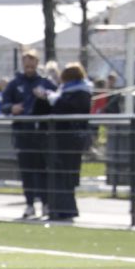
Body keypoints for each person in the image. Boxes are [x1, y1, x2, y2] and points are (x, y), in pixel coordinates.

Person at [0, 52, 54, 219]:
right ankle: (30, 204)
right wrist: (11, 108)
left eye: (32, 64)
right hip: (22, 132)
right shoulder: (15, 84)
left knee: (43, 168)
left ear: (37, 63)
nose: (29, 67)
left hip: (42, 133)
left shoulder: (45, 82)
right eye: (26, 64)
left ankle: (46, 203)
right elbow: (3, 105)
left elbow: (56, 101)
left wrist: (45, 97)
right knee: (26, 170)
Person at [45, 63, 92, 222]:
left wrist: (51, 98)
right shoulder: (71, 91)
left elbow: (67, 109)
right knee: (62, 174)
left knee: (64, 174)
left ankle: (64, 210)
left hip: (69, 138)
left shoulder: (80, 92)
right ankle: (62, 209)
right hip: (68, 138)